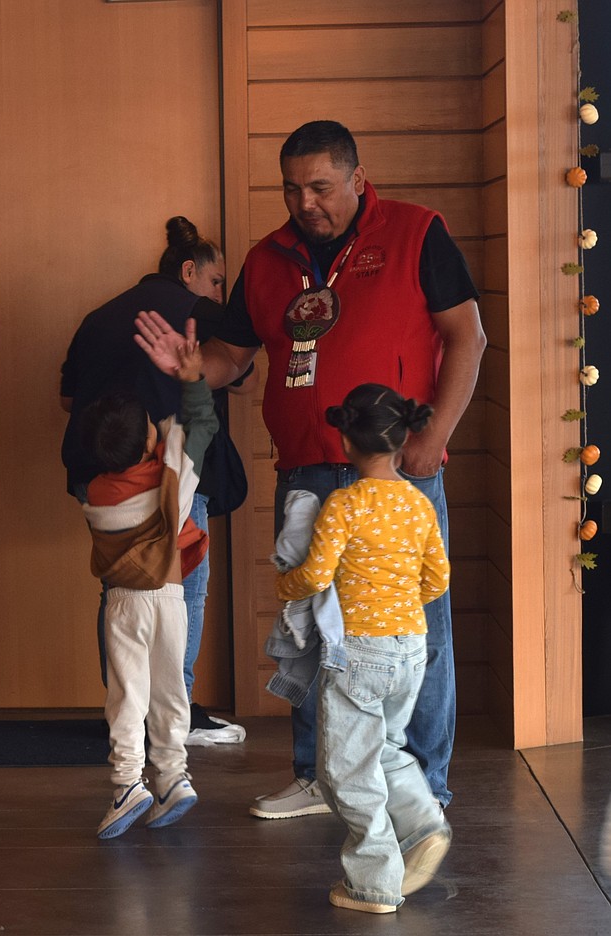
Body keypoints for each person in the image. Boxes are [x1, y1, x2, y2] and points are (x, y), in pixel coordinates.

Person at [136, 120, 486, 817]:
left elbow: (467, 336)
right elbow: (233, 357)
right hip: (304, 471)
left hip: (396, 470)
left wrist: (432, 439)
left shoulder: (418, 232)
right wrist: (191, 367)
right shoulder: (268, 260)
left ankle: (421, 789)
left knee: (417, 626)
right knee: (310, 628)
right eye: (292, 189)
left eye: (321, 187)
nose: (306, 203)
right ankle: (321, 777)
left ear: (357, 179)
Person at [60, 216, 250, 738]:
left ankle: (127, 715)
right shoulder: (199, 313)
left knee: (121, 590)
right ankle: (175, 716)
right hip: (167, 476)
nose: (219, 292)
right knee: (182, 590)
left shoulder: (97, 317)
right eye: (216, 280)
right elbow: (240, 367)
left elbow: (68, 401)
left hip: (95, 475)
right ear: (190, 270)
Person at [275, 383, 452, 913]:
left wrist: (284, 586)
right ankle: (423, 824)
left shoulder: (344, 504)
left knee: (346, 769)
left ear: (346, 444)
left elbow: (315, 575)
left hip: (361, 653)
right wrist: (402, 607)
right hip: (411, 648)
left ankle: (374, 882)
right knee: (387, 747)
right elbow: (438, 580)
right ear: (402, 440)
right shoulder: (418, 504)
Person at [80, 320, 218, 839]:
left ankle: (125, 784)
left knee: (127, 695)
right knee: (168, 692)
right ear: (148, 438)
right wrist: (191, 378)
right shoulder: (173, 476)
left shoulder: (96, 493)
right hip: (172, 599)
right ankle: (173, 777)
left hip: (125, 602)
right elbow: (202, 425)